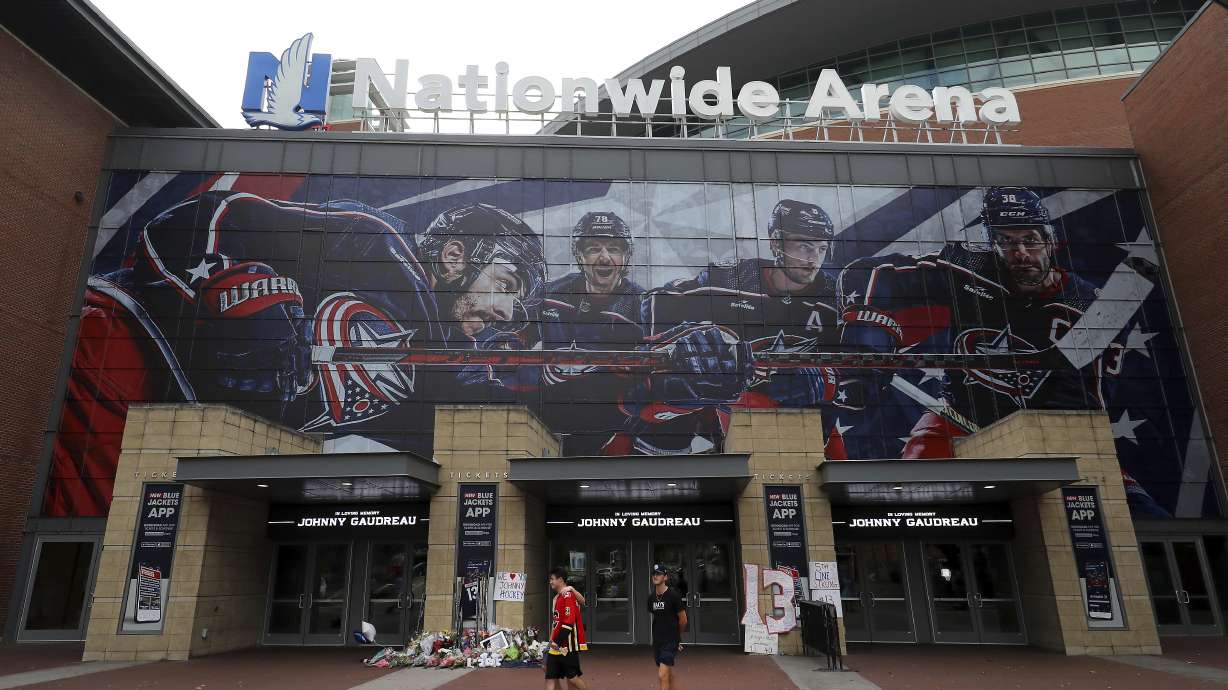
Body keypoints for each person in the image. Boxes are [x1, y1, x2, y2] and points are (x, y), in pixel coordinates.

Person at [837, 186, 1130, 458]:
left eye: (1031, 240)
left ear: (1050, 241)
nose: (1021, 254)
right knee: (917, 477)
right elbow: (865, 275)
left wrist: (1027, 436)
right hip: (959, 419)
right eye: (1007, 242)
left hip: (1048, 434)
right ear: (992, 243)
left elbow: (1091, 402)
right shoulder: (967, 266)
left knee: (1111, 499)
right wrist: (870, 356)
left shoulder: (1091, 305)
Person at [625, 198, 856, 455]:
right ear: (776, 242)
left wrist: (827, 377)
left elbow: (859, 367)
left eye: (822, 249)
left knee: (831, 459)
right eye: (804, 246)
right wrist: (673, 350)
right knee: (660, 403)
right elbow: (660, 300)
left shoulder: (834, 295)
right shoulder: (733, 276)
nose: (813, 258)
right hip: (720, 397)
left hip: (794, 412)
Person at [537, 211, 648, 455]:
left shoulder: (643, 305)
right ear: (579, 254)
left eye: (614, 249)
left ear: (626, 256)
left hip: (615, 425)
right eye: (594, 248)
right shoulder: (549, 295)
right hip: (553, 424)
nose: (604, 258)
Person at [547, 566, 589, 690]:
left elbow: (582, 603)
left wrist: (557, 641)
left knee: (572, 677)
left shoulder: (568, 595)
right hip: (556, 644)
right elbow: (556, 622)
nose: (550, 582)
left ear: (560, 580)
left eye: (552, 579)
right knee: (550, 675)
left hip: (567, 645)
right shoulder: (557, 597)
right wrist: (551, 641)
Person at [648, 563, 687, 690]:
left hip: (671, 640)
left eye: (658, 574)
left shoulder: (673, 595)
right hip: (658, 640)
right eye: (654, 574)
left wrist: (677, 637)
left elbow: (683, 620)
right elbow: (657, 617)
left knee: (662, 674)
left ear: (665, 577)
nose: (655, 576)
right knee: (667, 674)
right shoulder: (651, 598)